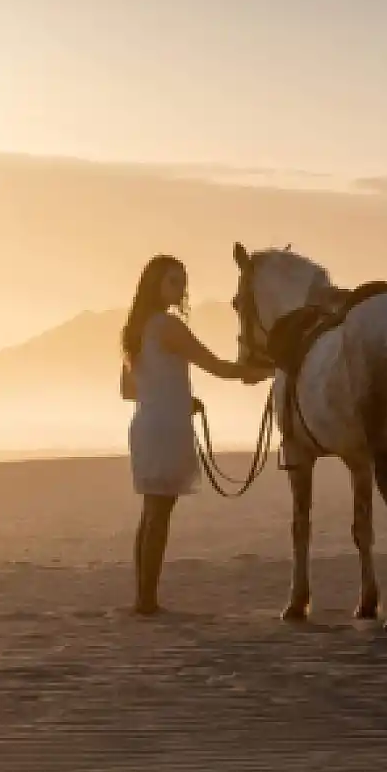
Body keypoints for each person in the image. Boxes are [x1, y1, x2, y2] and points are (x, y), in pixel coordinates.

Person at [119, 254, 267, 615]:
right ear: (155, 283)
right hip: (167, 429)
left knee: (151, 511)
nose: (181, 288)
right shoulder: (167, 326)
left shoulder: (135, 329)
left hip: (146, 424)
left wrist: (177, 397)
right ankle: (147, 600)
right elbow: (212, 364)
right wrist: (257, 371)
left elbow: (128, 389)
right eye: (173, 281)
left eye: (182, 281)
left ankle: (143, 597)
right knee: (159, 513)